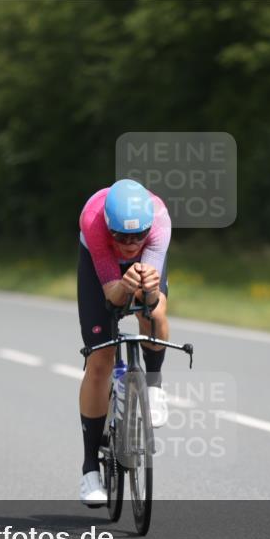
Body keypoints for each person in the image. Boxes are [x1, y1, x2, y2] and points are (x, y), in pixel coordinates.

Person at [76, 179, 171, 506]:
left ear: (148, 229)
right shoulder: (93, 221)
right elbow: (112, 298)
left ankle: (155, 387)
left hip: (148, 269)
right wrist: (122, 285)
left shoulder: (158, 220)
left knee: (154, 313)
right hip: (99, 268)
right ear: (108, 227)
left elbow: (151, 299)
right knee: (100, 360)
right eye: (122, 236)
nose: (131, 244)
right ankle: (90, 470)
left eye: (137, 236)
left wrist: (147, 290)